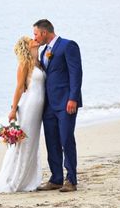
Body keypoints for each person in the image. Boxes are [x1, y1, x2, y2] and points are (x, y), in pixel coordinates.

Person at [32, 19, 83, 193]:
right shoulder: (44, 51)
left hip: (66, 103)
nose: (35, 37)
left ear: (44, 32)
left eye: (36, 34)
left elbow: (76, 73)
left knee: (66, 139)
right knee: (52, 141)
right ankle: (56, 178)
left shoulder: (68, 46)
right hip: (49, 105)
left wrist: (73, 98)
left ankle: (71, 179)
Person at [0, 36, 45, 193]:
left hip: (38, 108)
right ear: (26, 47)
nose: (35, 40)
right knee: (24, 143)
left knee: (32, 143)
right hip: (28, 106)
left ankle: (29, 179)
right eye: (31, 40)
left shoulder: (39, 63)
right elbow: (19, 88)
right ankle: (14, 180)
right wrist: (13, 109)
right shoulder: (24, 64)